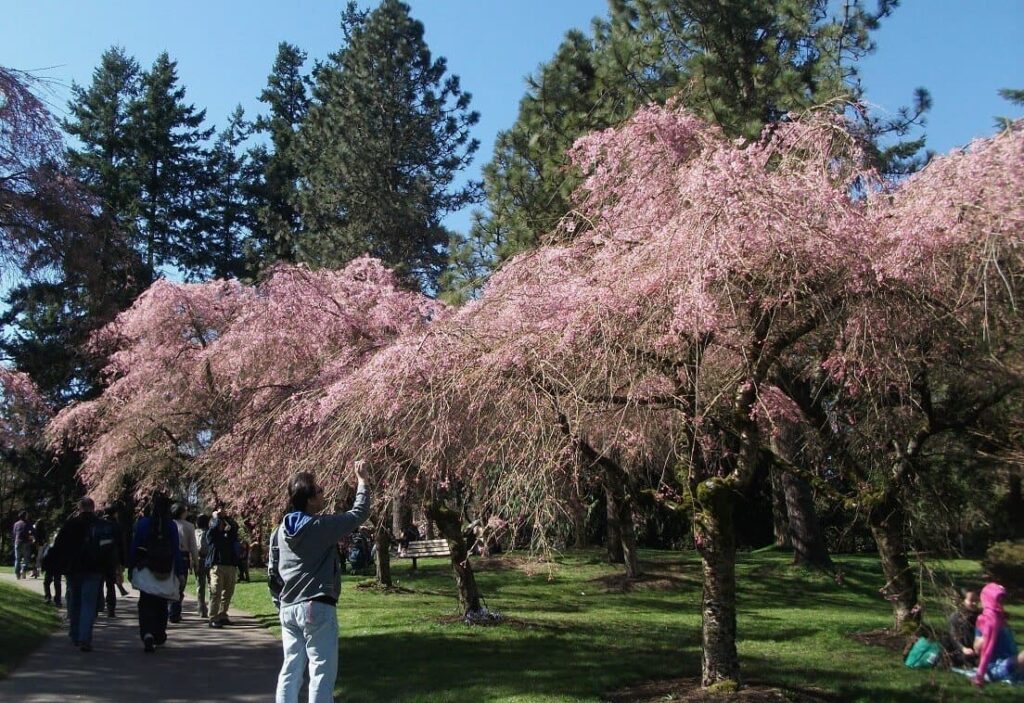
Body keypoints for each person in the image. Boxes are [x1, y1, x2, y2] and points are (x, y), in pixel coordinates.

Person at [270, 461, 371, 703]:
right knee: (321, 671)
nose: (323, 493)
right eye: (319, 491)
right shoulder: (319, 527)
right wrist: (363, 482)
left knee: (290, 669)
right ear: (309, 500)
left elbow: (272, 571)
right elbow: (358, 514)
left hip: (288, 608)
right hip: (316, 605)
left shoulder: (279, 531)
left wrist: (279, 602)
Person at [51, 497, 119, 652]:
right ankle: (84, 638)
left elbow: (60, 547)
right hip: (94, 569)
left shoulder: (71, 524)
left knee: (75, 602)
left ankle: (75, 634)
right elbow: (109, 549)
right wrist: (111, 569)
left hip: (73, 569)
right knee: (88, 604)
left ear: (79, 508)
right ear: (93, 508)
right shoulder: (101, 526)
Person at [129, 492, 183, 653]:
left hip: (146, 568)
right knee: (161, 603)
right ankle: (159, 634)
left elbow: (135, 546)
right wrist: (180, 572)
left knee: (145, 603)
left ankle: (146, 633)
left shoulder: (143, 523)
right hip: (165, 569)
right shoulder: (171, 525)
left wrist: (131, 567)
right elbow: (176, 550)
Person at [973, 582, 1024, 686]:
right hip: (996, 667)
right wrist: (988, 634)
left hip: (1013, 662)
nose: (1001, 603)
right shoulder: (985, 620)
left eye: (1002, 600)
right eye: (998, 600)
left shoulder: (1001, 619)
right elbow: (977, 648)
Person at [206, 506, 242, 628]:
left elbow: (235, 527)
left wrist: (225, 517)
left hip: (230, 564)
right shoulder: (213, 530)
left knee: (228, 592)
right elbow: (210, 534)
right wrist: (216, 518)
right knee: (216, 591)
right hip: (217, 564)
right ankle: (213, 617)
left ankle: (223, 615)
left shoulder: (229, 531)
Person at [169, 503, 198, 623]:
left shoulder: (169, 524)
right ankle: (175, 612)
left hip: (169, 556)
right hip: (183, 556)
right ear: (182, 512)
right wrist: (196, 561)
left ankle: (170, 610)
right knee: (181, 584)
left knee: (169, 583)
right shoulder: (189, 526)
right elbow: (193, 546)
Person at [943, 588, 980, 667]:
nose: (974, 603)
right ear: (964, 601)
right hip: (963, 650)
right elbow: (954, 636)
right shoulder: (956, 617)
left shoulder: (981, 616)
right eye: (971, 600)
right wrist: (963, 648)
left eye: (976, 601)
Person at [194, 513, 211, 619]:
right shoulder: (209, 532)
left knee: (200, 586)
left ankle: (201, 609)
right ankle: (210, 608)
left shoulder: (195, 532)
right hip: (208, 559)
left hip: (199, 559)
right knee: (211, 585)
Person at [12, 511, 32, 579]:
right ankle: (23, 570)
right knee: (26, 558)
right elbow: (33, 532)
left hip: (17, 542)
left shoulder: (16, 524)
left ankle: (17, 574)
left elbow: (14, 533)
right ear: (25, 516)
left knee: (17, 559)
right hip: (25, 542)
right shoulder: (28, 523)